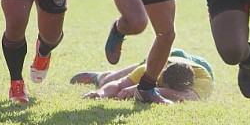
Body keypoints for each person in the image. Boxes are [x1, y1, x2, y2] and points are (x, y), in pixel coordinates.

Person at [70, 48, 214, 102]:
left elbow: (187, 97)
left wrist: (143, 89)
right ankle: (103, 77)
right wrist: (101, 94)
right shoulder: (154, 70)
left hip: (201, 64)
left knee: (135, 81)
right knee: (112, 80)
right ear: (161, 77)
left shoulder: (204, 82)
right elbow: (120, 85)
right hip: (168, 55)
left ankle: (107, 77)